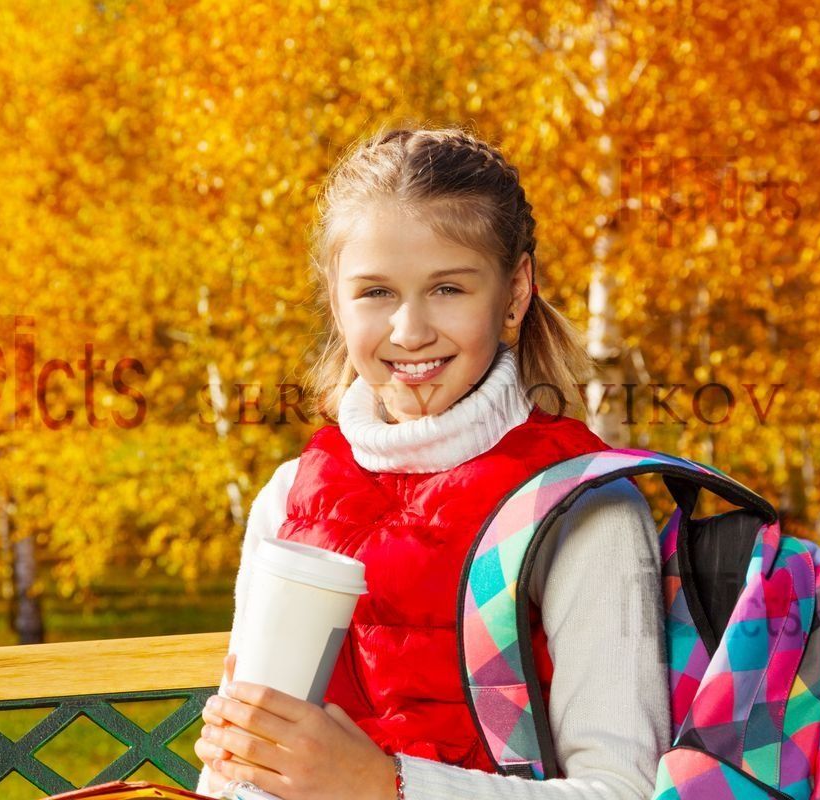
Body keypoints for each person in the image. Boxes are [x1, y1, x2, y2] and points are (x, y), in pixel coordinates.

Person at [193, 125, 670, 800]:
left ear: (515, 291)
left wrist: (381, 786)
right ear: (335, 299)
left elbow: (624, 792)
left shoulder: (577, 505)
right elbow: (239, 767)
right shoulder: (289, 497)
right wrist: (238, 756)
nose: (409, 330)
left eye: (448, 289)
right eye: (375, 292)